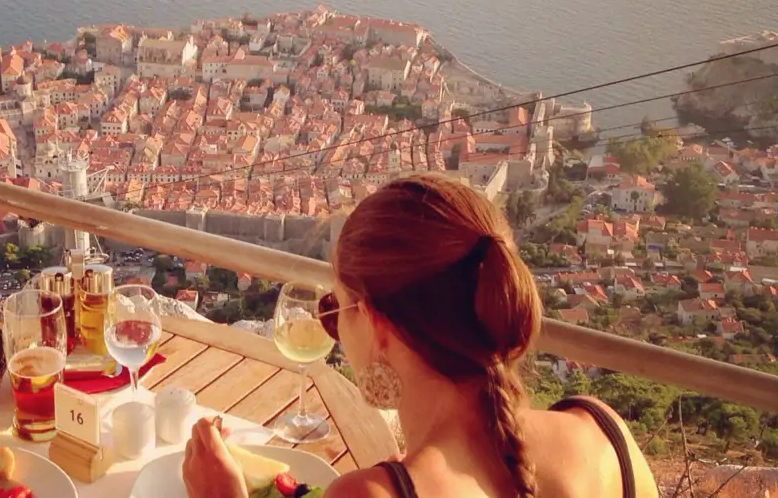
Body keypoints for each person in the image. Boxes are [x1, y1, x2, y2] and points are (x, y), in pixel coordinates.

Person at [183, 173, 658, 498]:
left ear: (379, 326)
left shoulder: (366, 495)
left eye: (337, 308)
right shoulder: (604, 432)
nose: (335, 330)